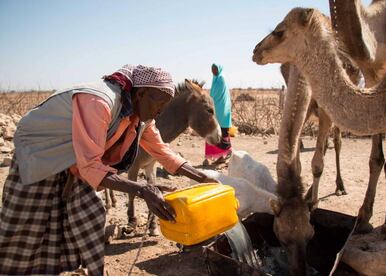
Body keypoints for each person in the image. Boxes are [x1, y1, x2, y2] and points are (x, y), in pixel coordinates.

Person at [0, 64, 216, 275]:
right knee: (25, 226)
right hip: (41, 153)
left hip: (79, 160)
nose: (161, 111)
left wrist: (202, 177)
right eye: (160, 103)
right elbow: (91, 165)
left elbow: (162, 151)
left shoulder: (141, 116)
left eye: (166, 105)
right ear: (141, 94)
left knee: (90, 217)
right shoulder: (99, 102)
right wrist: (142, 190)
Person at [204, 63, 232, 165]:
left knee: (219, 132)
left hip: (221, 109)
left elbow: (215, 95)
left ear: (219, 69)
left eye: (215, 69)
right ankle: (220, 156)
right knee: (214, 131)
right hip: (216, 108)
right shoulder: (215, 79)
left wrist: (208, 100)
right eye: (212, 69)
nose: (213, 71)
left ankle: (224, 154)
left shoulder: (220, 79)